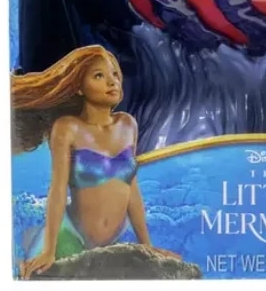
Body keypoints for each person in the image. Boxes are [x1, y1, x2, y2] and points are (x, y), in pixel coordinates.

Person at [12, 45, 177, 278]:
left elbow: (131, 188)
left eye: (115, 75)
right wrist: (49, 250)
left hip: (113, 243)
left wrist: (147, 245)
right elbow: (58, 189)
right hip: (68, 238)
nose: (112, 82)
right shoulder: (67, 128)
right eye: (99, 75)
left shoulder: (127, 125)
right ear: (79, 87)